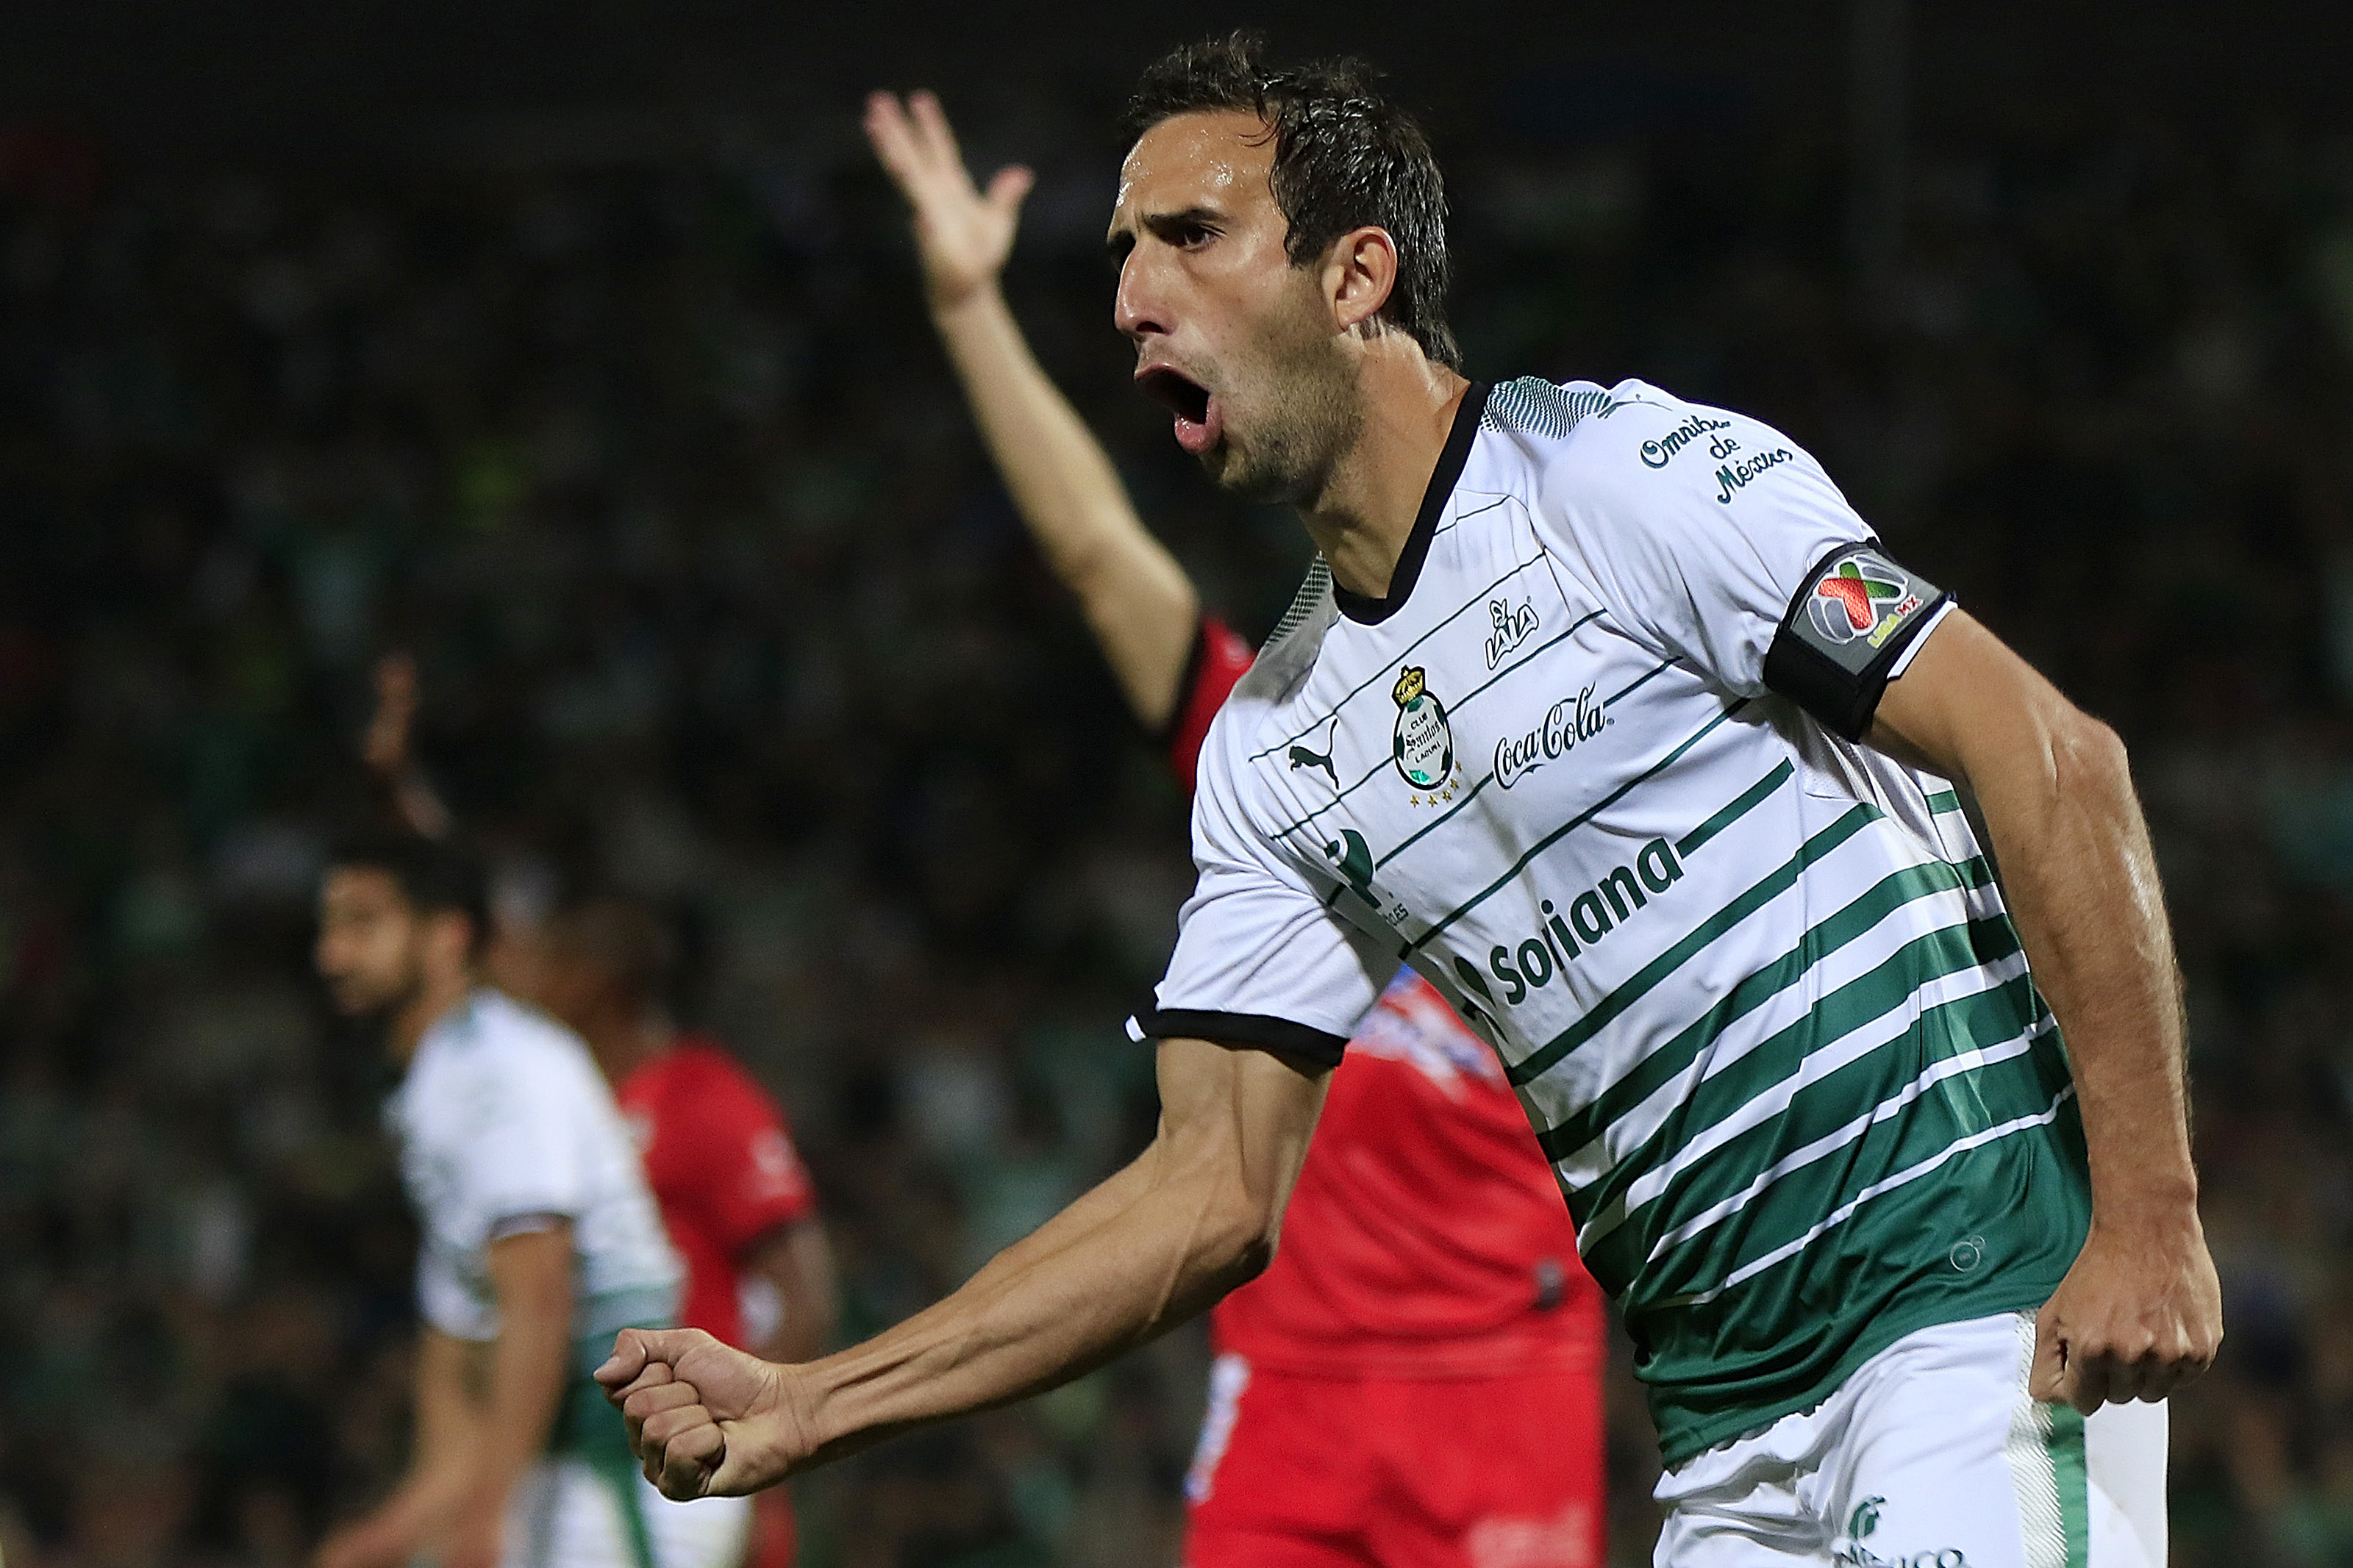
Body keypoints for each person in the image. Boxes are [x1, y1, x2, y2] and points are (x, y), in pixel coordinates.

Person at [604, 37, 2222, 1567]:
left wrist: (2146, 1212)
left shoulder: (1620, 482)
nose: (1130, 297)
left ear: (1355, 275)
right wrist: (820, 1400)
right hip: (1730, 1433)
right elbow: (1207, 1193)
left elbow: (2054, 756)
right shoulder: (1276, 746)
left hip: (1965, 1305)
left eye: (1188, 235)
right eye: (1117, 254)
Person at [863, 87, 1607, 1568]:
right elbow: (1092, 554)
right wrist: (965, 306)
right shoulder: (1275, 739)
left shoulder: (1585, 772)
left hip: (1505, 1394)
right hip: (1293, 1406)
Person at [312, 828, 750, 1568]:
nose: (333, 955)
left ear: (446, 937)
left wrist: (486, 1513)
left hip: (629, 1479)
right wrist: (405, 1525)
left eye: (364, 925)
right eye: (329, 928)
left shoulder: (496, 1072)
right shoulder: (437, 1084)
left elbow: (540, 1300)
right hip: (554, 1476)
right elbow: (462, 1350)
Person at [535, 895, 840, 1568]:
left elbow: (805, 1295)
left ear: (596, 978)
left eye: (547, 964)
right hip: (585, 1463)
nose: (528, 986)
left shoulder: (701, 1095)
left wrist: (748, 1453)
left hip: (683, 1472)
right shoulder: (569, 1111)